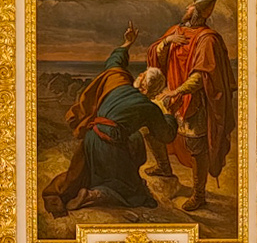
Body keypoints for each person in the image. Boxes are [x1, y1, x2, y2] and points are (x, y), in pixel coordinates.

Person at [42, 38, 179, 218]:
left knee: (87, 172)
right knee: (133, 190)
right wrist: (169, 115)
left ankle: (88, 187)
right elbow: (166, 135)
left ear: (141, 81)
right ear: (153, 90)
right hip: (110, 144)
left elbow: (113, 64)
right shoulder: (149, 108)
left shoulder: (118, 83)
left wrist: (127, 44)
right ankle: (94, 195)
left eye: (142, 74)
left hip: (91, 139)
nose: (138, 75)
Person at [144, 0, 234, 211]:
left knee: (196, 148)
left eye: (190, 7)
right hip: (171, 95)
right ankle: (164, 167)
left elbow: (201, 76)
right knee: (149, 127)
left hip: (194, 101)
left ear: (197, 13)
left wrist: (177, 91)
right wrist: (167, 42)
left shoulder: (208, 39)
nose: (186, 8)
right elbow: (156, 55)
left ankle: (199, 195)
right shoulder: (176, 31)